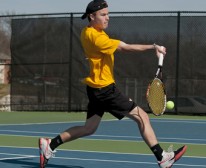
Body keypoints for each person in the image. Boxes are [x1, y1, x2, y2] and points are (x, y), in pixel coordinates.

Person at [38, 0, 187, 168]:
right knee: (142, 117)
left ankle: (49, 145)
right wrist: (153, 47)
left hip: (95, 89)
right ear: (91, 16)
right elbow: (125, 47)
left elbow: (120, 45)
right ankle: (162, 157)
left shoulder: (87, 32)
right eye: (103, 15)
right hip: (105, 90)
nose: (107, 18)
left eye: (108, 14)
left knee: (89, 128)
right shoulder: (97, 39)